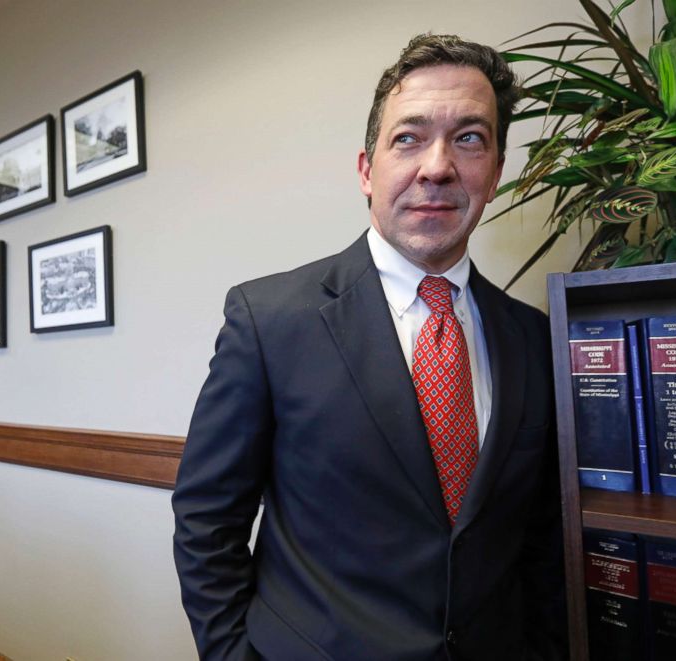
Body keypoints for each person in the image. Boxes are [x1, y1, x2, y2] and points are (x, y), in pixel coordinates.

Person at [172, 34, 567, 661]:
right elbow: (206, 521)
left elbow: (543, 538)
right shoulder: (270, 320)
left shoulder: (534, 336)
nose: (436, 166)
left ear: (494, 174)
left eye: (469, 138)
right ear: (366, 169)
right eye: (408, 138)